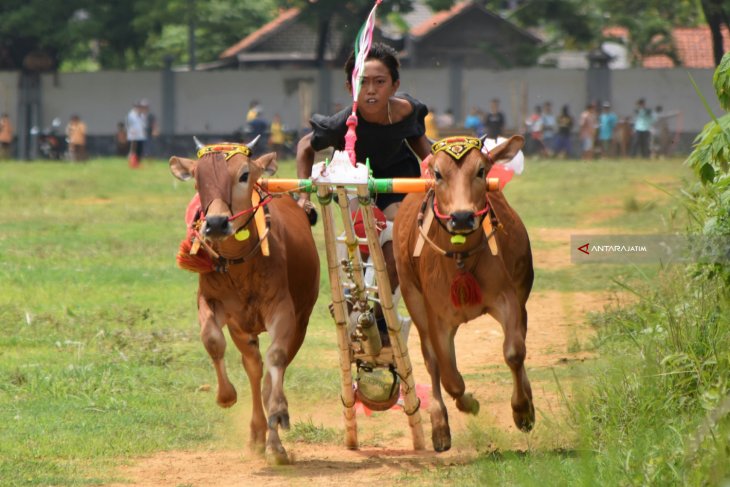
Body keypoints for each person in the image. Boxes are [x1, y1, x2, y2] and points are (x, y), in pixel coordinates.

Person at [295, 42, 431, 292]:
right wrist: (303, 197)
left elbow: (421, 142)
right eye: (362, 82)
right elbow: (305, 147)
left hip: (397, 180)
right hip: (355, 183)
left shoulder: (406, 112)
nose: (371, 90)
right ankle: (356, 292)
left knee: (406, 233)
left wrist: (441, 173)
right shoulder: (340, 123)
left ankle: (391, 295)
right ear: (350, 87)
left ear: (395, 85)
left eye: (380, 82)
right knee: (363, 228)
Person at [126, 99, 148, 168]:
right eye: (137, 107)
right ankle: (132, 163)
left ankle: (138, 163)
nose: (138, 108)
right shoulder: (131, 114)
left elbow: (144, 124)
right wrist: (131, 131)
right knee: (133, 150)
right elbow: (128, 124)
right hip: (133, 136)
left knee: (139, 150)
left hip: (141, 136)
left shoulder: (142, 115)